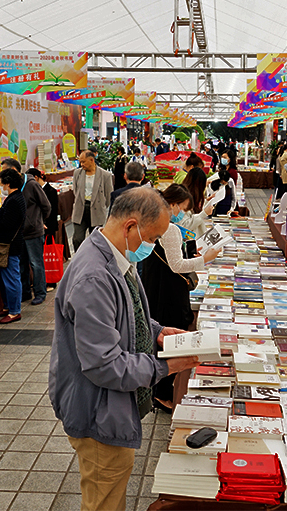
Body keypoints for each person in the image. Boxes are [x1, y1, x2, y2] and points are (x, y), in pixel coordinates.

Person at [49, 187, 199, 511]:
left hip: (109, 406)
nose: (154, 245)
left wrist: (157, 331)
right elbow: (105, 365)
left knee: (111, 490)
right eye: (153, 237)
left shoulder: (112, 255)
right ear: (131, 227)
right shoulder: (94, 276)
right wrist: (165, 367)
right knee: (105, 499)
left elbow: (124, 313)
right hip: (97, 411)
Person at [141, 185, 221, 411]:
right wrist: (204, 259)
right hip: (170, 293)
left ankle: (158, 389)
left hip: (155, 287)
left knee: (161, 336)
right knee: (171, 339)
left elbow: (169, 256)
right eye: (184, 209)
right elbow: (176, 265)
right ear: (174, 204)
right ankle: (162, 393)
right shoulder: (170, 227)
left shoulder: (153, 219)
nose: (184, 215)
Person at [1, 158, 52, 306]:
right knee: (21, 264)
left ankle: (40, 293)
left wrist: (40, 222)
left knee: (36, 264)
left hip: (34, 232)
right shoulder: (12, 187)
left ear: (15, 171)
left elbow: (46, 206)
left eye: (5, 171)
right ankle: (24, 292)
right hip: (18, 233)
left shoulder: (31, 185)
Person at [0, 167, 26, 324]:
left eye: (2, 182)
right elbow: (7, 217)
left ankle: (15, 311)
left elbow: (5, 224)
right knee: (7, 277)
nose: (1, 185)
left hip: (9, 246)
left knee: (12, 278)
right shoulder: (15, 198)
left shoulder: (14, 200)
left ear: (8, 183)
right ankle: (9, 307)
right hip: (9, 245)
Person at [72, 149, 114, 253]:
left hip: (96, 210)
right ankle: (79, 258)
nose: (81, 164)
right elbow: (75, 191)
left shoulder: (105, 175)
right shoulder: (77, 173)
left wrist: (102, 206)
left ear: (91, 160)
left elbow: (109, 195)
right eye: (80, 162)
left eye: (83, 162)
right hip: (80, 208)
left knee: (95, 240)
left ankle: (93, 260)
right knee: (77, 238)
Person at [30, 168, 63, 293]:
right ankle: (42, 281)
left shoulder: (51, 191)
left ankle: (51, 281)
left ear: (36, 177)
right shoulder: (34, 190)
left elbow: (52, 211)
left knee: (49, 255)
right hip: (38, 228)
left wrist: (46, 225)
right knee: (40, 256)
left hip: (47, 228)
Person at [180, 167, 211, 237]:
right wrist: (203, 213)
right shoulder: (184, 199)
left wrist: (206, 202)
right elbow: (185, 225)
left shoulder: (191, 197)